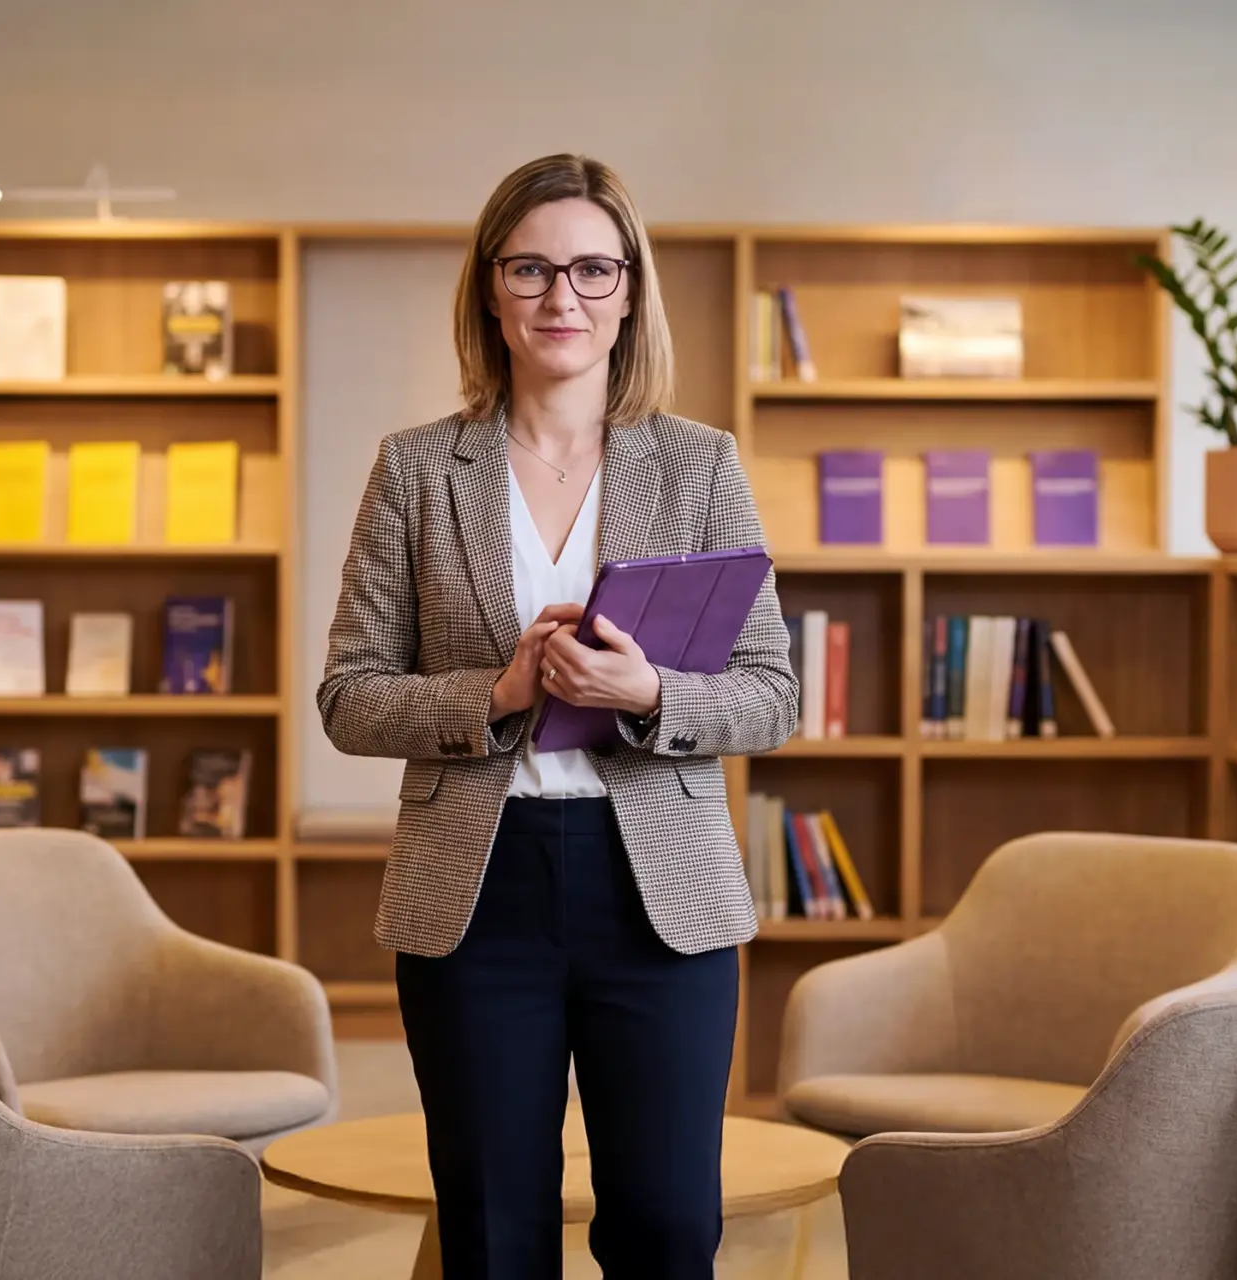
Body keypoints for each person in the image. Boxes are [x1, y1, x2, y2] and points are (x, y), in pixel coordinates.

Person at [317, 154, 798, 1278]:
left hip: (660, 893)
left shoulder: (700, 464)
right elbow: (349, 693)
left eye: (591, 268)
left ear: (630, 289)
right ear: (490, 288)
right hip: (476, 890)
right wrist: (497, 693)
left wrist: (651, 695)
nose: (560, 297)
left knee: (671, 1226)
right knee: (493, 1231)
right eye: (530, 268)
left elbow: (773, 689)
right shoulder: (417, 470)